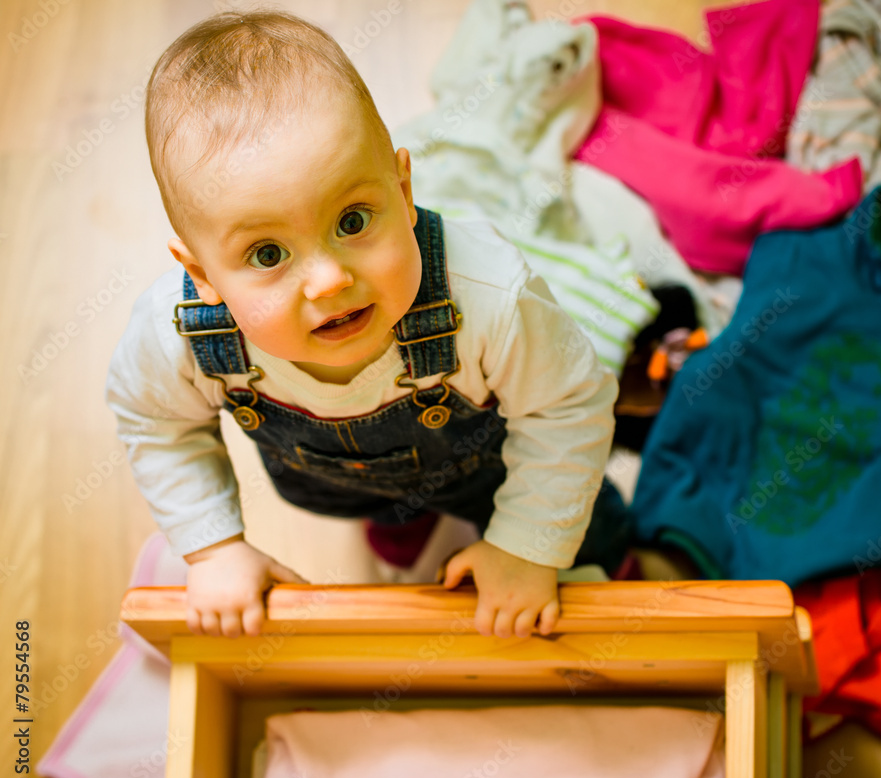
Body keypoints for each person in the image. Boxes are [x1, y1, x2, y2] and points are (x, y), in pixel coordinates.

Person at [107, 10, 628, 641]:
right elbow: (156, 424)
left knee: (591, 532)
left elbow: (567, 407)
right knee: (372, 503)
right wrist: (214, 548)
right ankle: (402, 514)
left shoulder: (487, 296)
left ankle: (618, 562)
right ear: (203, 274)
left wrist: (527, 547)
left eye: (352, 221)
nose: (329, 281)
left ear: (403, 193)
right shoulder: (180, 334)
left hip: (488, 467)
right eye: (267, 254)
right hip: (328, 481)